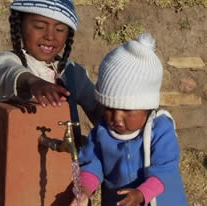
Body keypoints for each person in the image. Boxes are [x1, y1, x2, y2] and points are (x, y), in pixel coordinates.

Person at [0, 0, 101, 205]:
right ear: (20, 25)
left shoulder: (73, 73)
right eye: (39, 26)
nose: (50, 35)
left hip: (60, 167)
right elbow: (10, 72)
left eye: (60, 29)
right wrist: (33, 82)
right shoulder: (13, 62)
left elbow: (99, 111)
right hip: (13, 167)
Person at [70, 33, 188, 206]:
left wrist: (142, 194)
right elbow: (92, 163)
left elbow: (166, 170)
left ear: (147, 106)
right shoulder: (101, 132)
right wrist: (85, 189)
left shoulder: (160, 129)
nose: (116, 118)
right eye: (109, 108)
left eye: (127, 110)